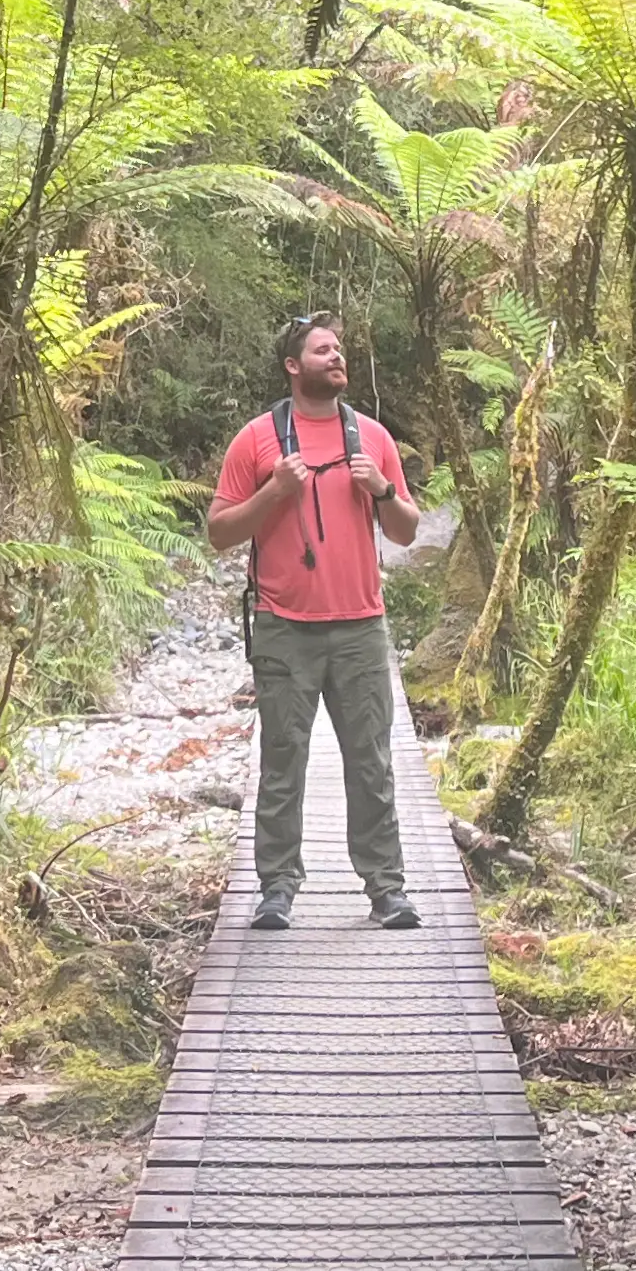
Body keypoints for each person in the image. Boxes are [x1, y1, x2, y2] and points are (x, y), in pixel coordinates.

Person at [204, 313, 425, 930]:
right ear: (293, 366)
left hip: (360, 626)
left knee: (371, 762)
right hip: (283, 626)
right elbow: (219, 533)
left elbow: (404, 532)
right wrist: (274, 493)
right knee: (282, 760)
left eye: (340, 349)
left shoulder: (372, 438)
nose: (337, 356)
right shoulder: (257, 441)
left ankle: (386, 888)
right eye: (322, 349)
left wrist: (382, 489)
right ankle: (276, 888)